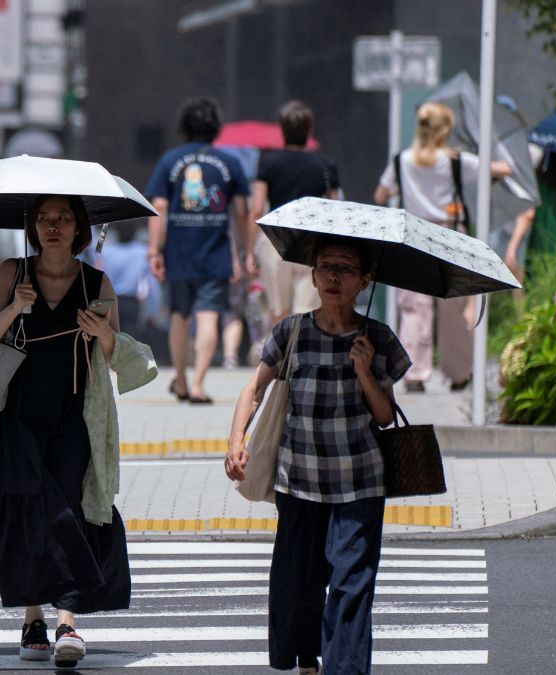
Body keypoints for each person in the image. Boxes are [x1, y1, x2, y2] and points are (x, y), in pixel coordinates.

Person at [225, 236, 410, 675]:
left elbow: (384, 417)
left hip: (359, 482)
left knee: (351, 585)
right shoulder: (292, 331)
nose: (333, 276)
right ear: (312, 274)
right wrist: (236, 441)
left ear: (365, 280)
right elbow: (254, 388)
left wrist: (365, 371)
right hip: (299, 481)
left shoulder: (378, 337)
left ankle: (344, 669)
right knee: (298, 585)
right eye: (325, 266)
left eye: (345, 269)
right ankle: (308, 659)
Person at [0, 195, 133, 668]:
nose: (53, 227)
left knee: (69, 509)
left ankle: (67, 620)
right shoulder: (11, 274)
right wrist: (13, 310)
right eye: (43, 219)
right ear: (32, 227)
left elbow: (115, 354)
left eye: (63, 218)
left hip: (75, 414)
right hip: (16, 415)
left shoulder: (96, 283)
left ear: (80, 228)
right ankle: (31, 617)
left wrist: (102, 333)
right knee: (25, 508)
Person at [374, 102, 511, 392]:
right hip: (449, 232)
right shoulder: (455, 160)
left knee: (412, 308)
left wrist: (404, 187)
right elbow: (504, 169)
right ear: (445, 130)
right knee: (451, 305)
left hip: (411, 236)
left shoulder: (403, 159)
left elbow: (381, 193)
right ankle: (459, 372)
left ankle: (413, 373)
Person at [146, 98, 250, 403]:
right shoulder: (230, 164)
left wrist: (154, 250)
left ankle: (180, 380)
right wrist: (245, 252)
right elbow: (242, 211)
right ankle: (199, 384)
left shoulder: (169, 161)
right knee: (209, 316)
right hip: (215, 252)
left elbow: (159, 207)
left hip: (179, 253)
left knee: (179, 315)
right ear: (215, 127)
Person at [248, 101, 341, 326]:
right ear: (309, 130)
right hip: (312, 241)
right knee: (305, 312)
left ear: (282, 129)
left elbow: (257, 208)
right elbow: (336, 210)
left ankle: (278, 359)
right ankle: (299, 358)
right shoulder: (326, 165)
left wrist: (250, 251)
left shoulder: (268, 162)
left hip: (275, 240)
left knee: (277, 311)